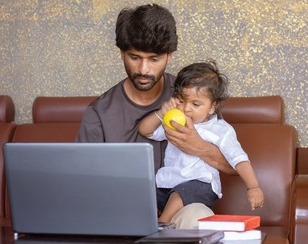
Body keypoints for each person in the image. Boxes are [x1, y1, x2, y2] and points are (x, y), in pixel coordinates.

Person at [76, 4, 236, 227]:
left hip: (183, 208)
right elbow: (84, 183)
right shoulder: (99, 113)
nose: (143, 69)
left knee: (197, 217)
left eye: (154, 59)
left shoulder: (193, 99)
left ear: (169, 56)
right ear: (122, 53)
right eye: (134, 57)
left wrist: (198, 146)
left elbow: (233, 166)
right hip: (122, 210)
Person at [139, 61, 264, 223]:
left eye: (196, 104)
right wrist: (161, 113)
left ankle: (162, 224)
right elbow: (145, 131)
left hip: (200, 185)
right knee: (144, 194)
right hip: (168, 183)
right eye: (182, 101)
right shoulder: (176, 121)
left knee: (181, 193)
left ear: (213, 107)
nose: (186, 109)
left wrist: (253, 187)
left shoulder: (220, 130)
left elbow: (239, 159)